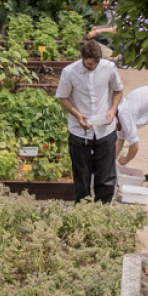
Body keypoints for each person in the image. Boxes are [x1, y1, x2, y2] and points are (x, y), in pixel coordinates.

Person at [56, 40, 124, 203]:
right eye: (88, 63)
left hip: (104, 129)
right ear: (82, 58)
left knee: (106, 174)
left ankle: (103, 208)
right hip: (80, 130)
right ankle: (83, 208)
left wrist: (113, 110)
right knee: (82, 174)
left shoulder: (109, 68)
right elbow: (63, 97)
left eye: (95, 63)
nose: (92, 66)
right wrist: (76, 114)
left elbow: (118, 90)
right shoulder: (69, 72)